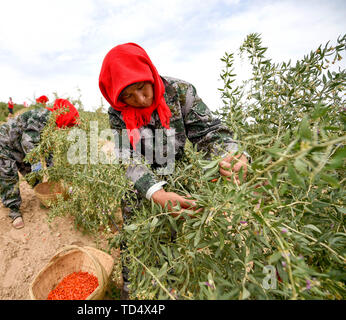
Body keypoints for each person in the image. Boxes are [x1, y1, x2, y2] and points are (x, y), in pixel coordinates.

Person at [98, 42, 249, 298]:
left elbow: (211, 133)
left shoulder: (180, 92)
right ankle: (133, 288)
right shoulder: (117, 112)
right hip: (140, 184)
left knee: (174, 235)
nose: (141, 99)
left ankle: (172, 286)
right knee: (135, 239)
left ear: (149, 74)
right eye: (128, 96)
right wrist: (154, 192)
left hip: (176, 176)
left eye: (141, 87)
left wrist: (230, 154)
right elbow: (126, 155)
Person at [0, 99, 79, 229]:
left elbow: (48, 149)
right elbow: (28, 143)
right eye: (69, 124)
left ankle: (44, 195)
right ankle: (13, 209)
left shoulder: (54, 125)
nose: (67, 129)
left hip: (19, 147)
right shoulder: (42, 117)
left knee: (33, 176)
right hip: (3, 144)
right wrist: (37, 166)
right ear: (64, 117)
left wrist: (53, 171)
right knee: (8, 177)